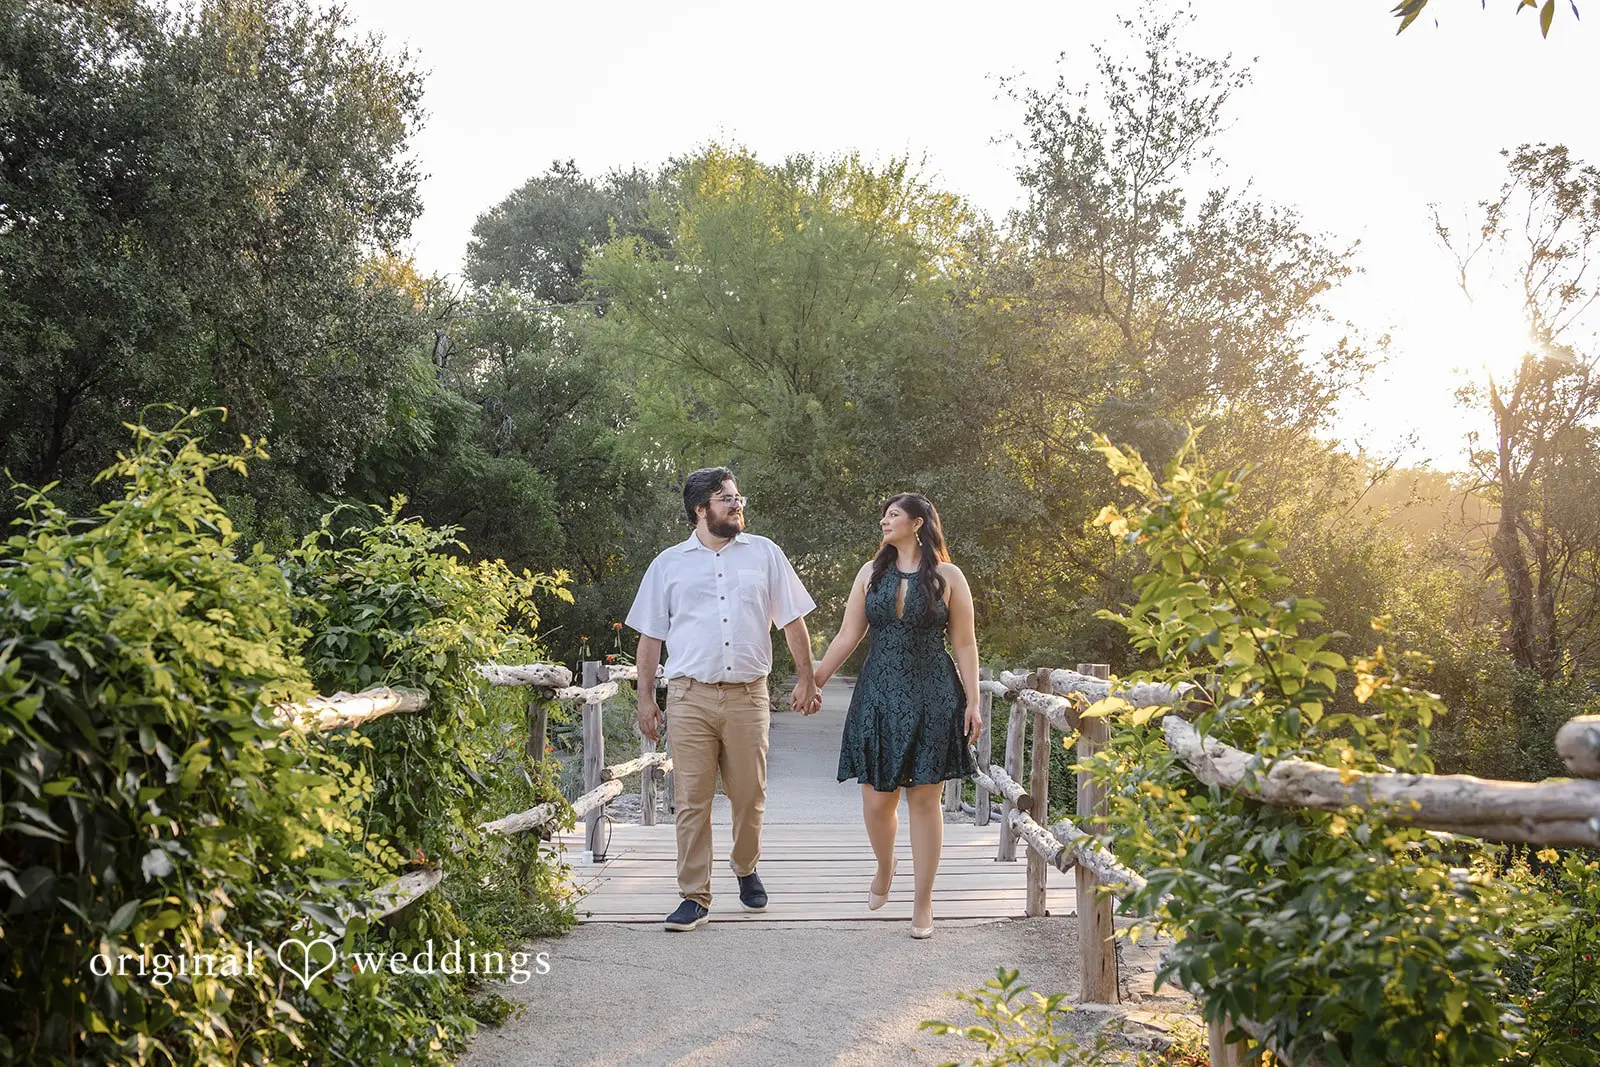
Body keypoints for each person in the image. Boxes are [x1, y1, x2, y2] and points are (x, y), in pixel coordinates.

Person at [626, 467, 820, 932]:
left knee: (749, 796)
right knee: (692, 799)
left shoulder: (765, 555)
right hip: (689, 696)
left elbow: (793, 621)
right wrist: (645, 699)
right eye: (726, 499)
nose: (738, 506)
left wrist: (807, 678)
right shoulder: (668, 564)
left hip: (748, 696)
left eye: (738, 498)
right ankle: (694, 895)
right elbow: (651, 638)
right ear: (700, 509)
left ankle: (746, 866)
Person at [813, 492, 980, 939]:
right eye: (884, 515)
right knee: (875, 799)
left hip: (933, 693)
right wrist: (816, 680)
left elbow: (964, 643)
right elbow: (849, 634)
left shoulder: (948, 577)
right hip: (878, 694)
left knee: (925, 801)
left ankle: (923, 902)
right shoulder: (870, 574)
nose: (884, 521)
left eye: (893, 515)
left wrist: (974, 701)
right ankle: (885, 866)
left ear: (918, 523)